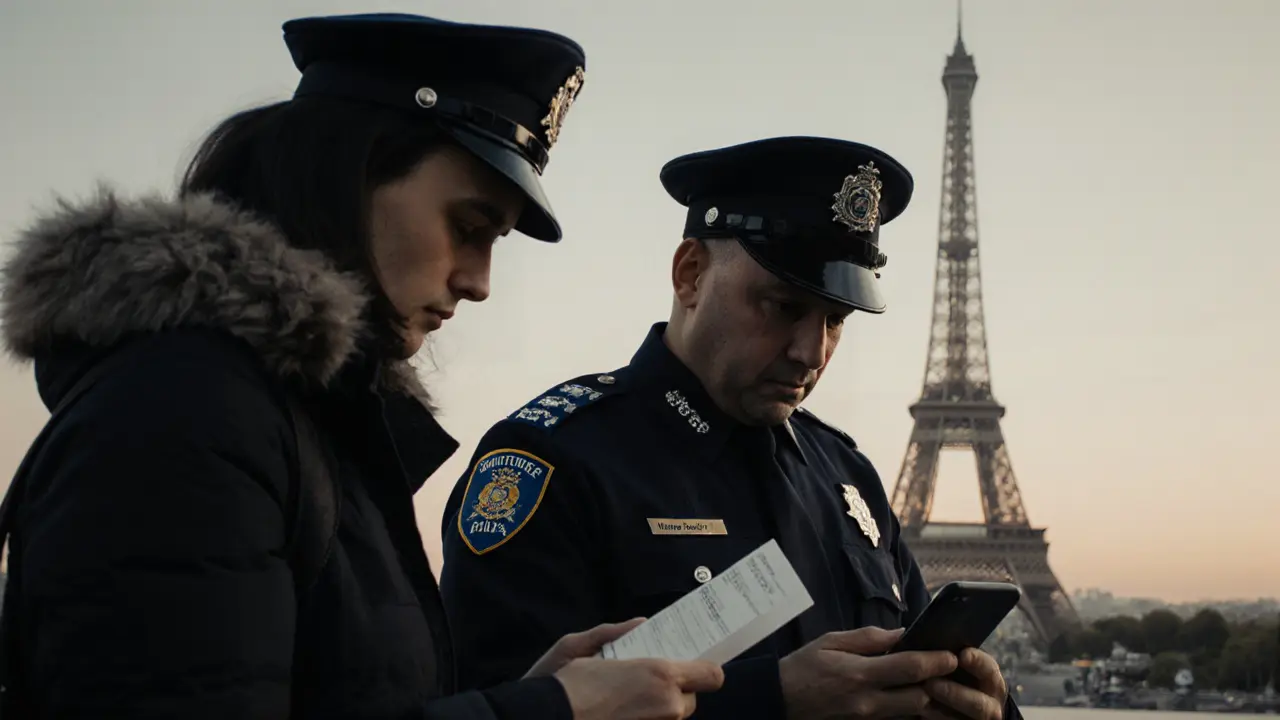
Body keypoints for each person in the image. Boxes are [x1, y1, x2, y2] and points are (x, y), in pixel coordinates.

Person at [0, 13, 722, 720]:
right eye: (468, 228)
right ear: (343, 178)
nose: (479, 281)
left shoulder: (294, 415)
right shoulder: (182, 415)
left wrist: (531, 692)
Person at [438, 136, 1023, 720]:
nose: (811, 352)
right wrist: (775, 700)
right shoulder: (551, 461)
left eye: (836, 321)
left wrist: (985, 707)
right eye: (784, 306)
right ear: (690, 274)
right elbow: (505, 708)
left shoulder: (848, 477)